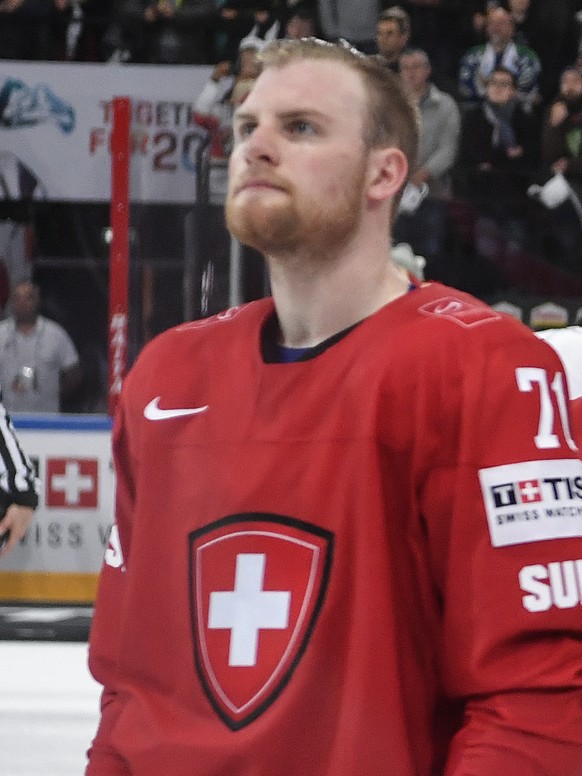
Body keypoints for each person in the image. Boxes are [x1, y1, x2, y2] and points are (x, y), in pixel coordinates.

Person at [86, 38, 582, 775]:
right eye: (248, 125)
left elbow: (537, 703)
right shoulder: (167, 377)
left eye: (301, 127)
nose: (256, 147)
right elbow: (131, 684)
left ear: (386, 174)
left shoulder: (490, 367)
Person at [458, 66, 540, 288]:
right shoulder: (474, 118)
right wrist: (507, 157)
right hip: (483, 199)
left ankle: (513, 297)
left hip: (515, 200)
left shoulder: (525, 120)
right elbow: (469, 156)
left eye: (504, 84)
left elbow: (530, 159)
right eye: (493, 83)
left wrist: (496, 162)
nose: (498, 89)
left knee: (515, 256)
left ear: (513, 90)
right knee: (487, 255)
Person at [394, 47, 460, 281]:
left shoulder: (445, 105)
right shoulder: (391, 107)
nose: (411, 73)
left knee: (431, 257)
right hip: (395, 195)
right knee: (394, 256)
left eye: (416, 67)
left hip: (433, 195)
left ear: (428, 70)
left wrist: (421, 175)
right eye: (405, 68)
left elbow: (448, 150)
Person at [0, 280, 81, 413]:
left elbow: (73, 374)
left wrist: (50, 392)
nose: (22, 303)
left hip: (45, 422)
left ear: (37, 301)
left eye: (28, 298)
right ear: (12, 302)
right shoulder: (1, 333)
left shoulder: (55, 334)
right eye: (17, 298)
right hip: (5, 420)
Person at [458, 6, 541, 112]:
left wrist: (488, 85)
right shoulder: (473, 55)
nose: (496, 28)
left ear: (512, 28)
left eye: (501, 23)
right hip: (479, 113)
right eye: (491, 23)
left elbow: (527, 86)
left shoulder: (526, 55)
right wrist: (499, 91)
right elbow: (465, 86)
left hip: (516, 113)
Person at [374, 5, 411, 72]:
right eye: (380, 33)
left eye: (389, 33)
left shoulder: (412, 69)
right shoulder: (370, 67)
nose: (383, 38)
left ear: (403, 38)